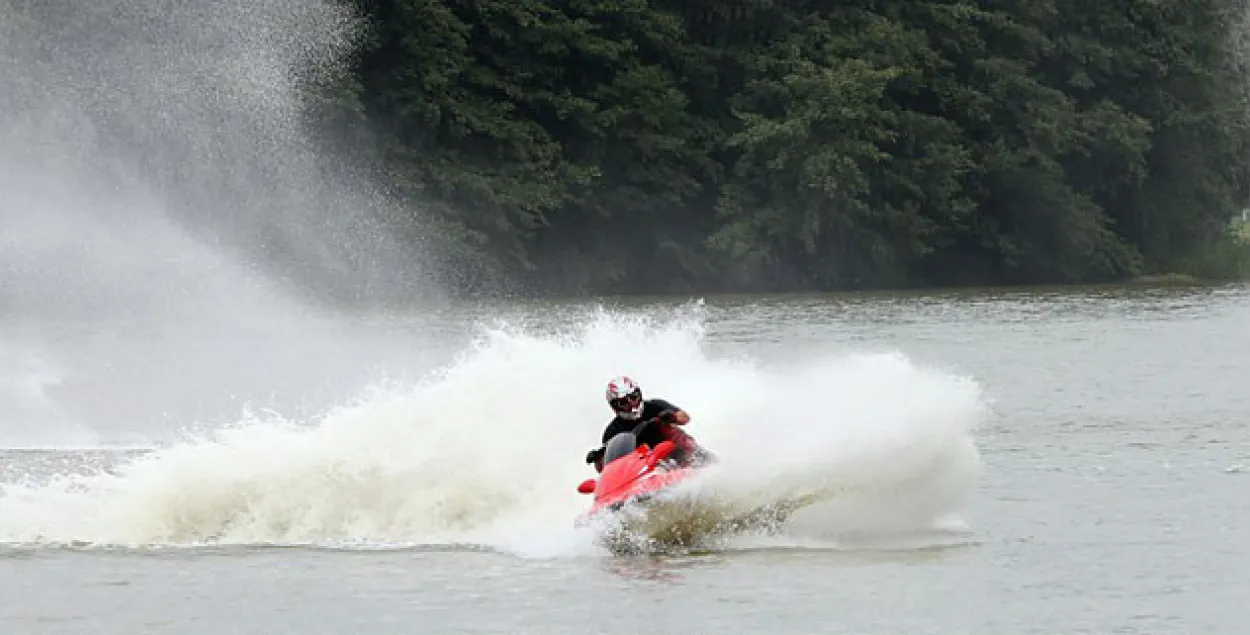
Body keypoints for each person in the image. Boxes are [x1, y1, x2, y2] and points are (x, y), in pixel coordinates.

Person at [583, 375, 707, 473]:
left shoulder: (654, 406)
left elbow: (684, 418)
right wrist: (599, 457)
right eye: (623, 402)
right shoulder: (612, 431)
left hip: (677, 450)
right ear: (615, 407)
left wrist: (672, 416)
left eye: (634, 397)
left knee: (674, 434)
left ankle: (702, 460)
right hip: (645, 464)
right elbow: (610, 466)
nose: (632, 404)